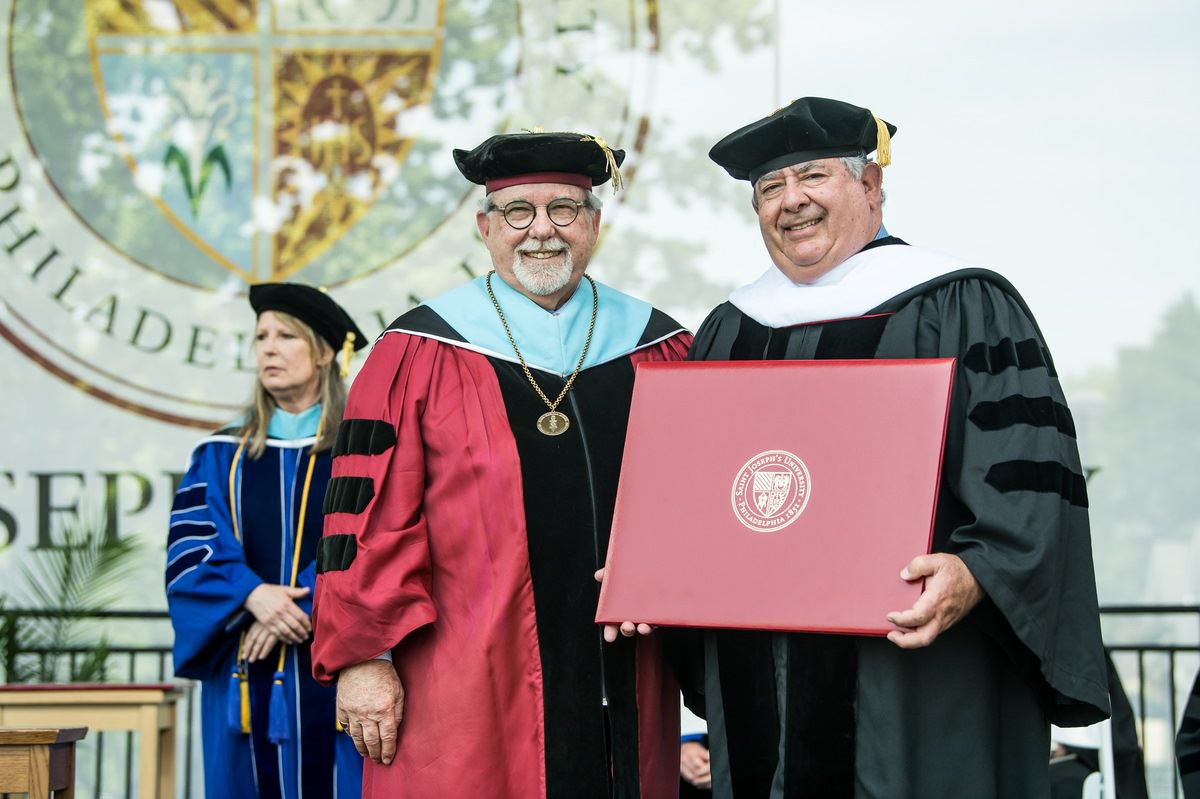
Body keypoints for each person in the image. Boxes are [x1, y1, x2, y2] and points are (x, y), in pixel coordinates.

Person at [680, 96, 1111, 797]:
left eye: (813, 176)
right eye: (769, 188)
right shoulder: (730, 331)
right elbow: (696, 493)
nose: (792, 202)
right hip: (759, 672)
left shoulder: (963, 304)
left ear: (872, 185)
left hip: (913, 677)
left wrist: (978, 573)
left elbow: (1029, 479)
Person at [309, 131, 692, 798]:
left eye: (564, 209)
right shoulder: (416, 352)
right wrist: (364, 658)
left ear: (594, 224)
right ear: (485, 227)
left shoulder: (662, 347)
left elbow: (700, 504)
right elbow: (366, 522)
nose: (541, 230)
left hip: (624, 672)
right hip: (465, 679)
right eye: (518, 211)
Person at [165, 283, 366, 799]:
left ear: (324, 352)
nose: (269, 348)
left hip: (338, 661)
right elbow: (193, 547)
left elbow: (375, 538)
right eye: (260, 337)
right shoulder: (220, 453)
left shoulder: (361, 449)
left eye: (286, 336)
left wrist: (305, 602)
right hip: (243, 666)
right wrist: (253, 596)